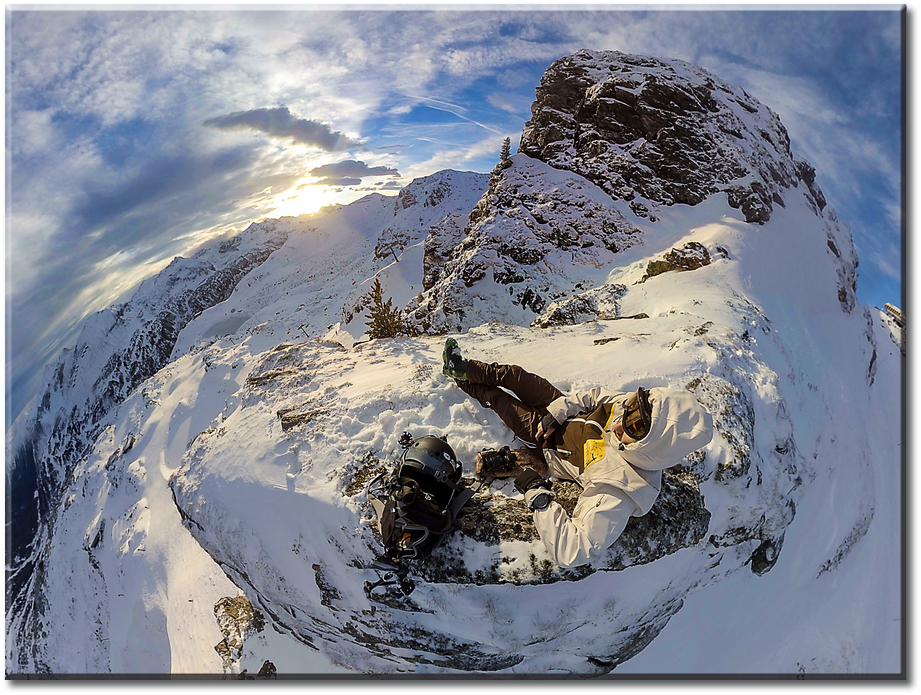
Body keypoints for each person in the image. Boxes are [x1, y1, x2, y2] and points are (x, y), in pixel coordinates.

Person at [442, 338, 713, 569]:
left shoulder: (622, 485)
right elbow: (594, 397)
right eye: (631, 410)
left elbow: (574, 551)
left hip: (545, 445)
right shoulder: (642, 409)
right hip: (557, 411)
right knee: (512, 375)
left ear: (655, 446)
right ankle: (460, 367)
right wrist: (556, 412)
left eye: (634, 427)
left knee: (499, 399)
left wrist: (538, 495)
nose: (621, 422)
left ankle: (461, 381)